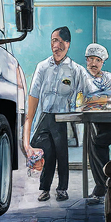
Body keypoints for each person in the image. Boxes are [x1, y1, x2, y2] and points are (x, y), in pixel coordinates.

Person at [22, 26, 88, 202]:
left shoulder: (75, 70)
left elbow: (83, 94)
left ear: (67, 44)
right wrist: (28, 129)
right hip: (45, 117)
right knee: (47, 153)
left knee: (61, 154)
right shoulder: (42, 67)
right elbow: (33, 96)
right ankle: (44, 188)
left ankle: (62, 189)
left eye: (59, 41)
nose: (56, 45)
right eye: (53, 40)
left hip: (63, 118)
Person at [81, 43, 111, 205]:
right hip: (91, 118)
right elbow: (81, 98)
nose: (94, 63)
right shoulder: (81, 76)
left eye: (98, 60)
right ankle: (102, 185)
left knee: (97, 144)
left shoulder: (110, 78)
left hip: (108, 119)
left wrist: (95, 99)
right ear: (86, 60)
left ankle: (103, 185)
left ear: (102, 62)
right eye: (91, 59)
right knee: (94, 143)